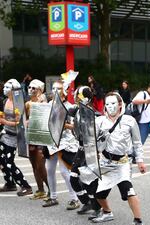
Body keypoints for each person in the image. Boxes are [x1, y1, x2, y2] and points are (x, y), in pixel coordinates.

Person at [91, 92, 146, 225]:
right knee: (99, 194)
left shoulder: (129, 121)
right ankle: (107, 212)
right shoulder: (99, 121)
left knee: (129, 190)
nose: (110, 106)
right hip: (105, 162)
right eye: (107, 104)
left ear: (120, 104)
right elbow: (90, 141)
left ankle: (138, 220)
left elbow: (137, 142)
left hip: (122, 163)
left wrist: (140, 161)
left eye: (113, 103)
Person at [43, 80, 80, 210]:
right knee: (49, 169)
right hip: (51, 141)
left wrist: (63, 125)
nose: (54, 91)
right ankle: (53, 197)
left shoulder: (70, 106)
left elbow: (74, 126)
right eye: (53, 88)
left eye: (58, 89)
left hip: (65, 142)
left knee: (65, 172)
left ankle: (74, 198)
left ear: (63, 91)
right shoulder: (47, 105)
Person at [68, 85, 102, 217]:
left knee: (90, 180)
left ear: (86, 99)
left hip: (90, 150)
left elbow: (95, 135)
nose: (76, 98)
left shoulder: (93, 114)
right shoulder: (76, 110)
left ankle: (97, 206)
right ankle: (86, 202)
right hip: (81, 148)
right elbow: (63, 112)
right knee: (73, 178)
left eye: (79, 96)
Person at [0, 79, 33, 196]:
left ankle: (26, 186)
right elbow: (5, 116)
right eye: (5, 87)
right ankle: (10, 184)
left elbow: (21, 123)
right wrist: (2, 119)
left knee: (9, 162)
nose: (4, 89)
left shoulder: (18, 103)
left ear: (14, 89)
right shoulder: (5, 101)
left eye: (8, 87)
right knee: (1, 160)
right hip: (5, 134)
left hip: (14, 136)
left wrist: (4, 121)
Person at [25, 79, 49, 200]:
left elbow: (45, 116)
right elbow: (23, 120)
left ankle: (51, 190)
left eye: (33, 88)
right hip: (31, 136)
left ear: (39, 89)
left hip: (41, 137)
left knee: (40, 165)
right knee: (34, 164)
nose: (30, 90)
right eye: (29, 87)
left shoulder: (43, 101)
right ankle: (40, 190)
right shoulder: (27, 103)